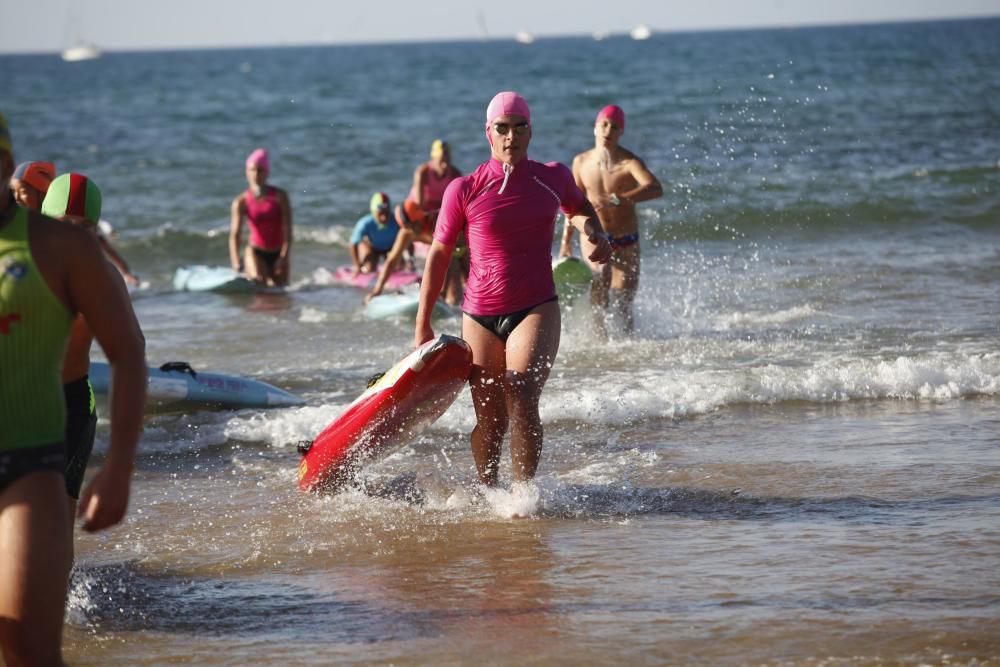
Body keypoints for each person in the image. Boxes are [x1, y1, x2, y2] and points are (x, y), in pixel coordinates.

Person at [0, 113, 147, 666]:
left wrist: (121, 467)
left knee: (51, 549)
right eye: (68, 221)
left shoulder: (91, 268)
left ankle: (52, 609)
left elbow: (130, 352)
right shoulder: (24, 251)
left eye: (85, 227)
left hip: (62, 411)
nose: (76, 234)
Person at [414, 91, 612, 490]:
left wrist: (595, 231)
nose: (511, 137)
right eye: (502, 129)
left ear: (530, 131)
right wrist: (423, 324)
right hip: (479, 315)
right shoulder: (464, 189)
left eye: (519, 128)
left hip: (536, 306)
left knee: (521, 392)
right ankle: (489, 491)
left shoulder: (551, 176)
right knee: (490, 417)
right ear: (488, 133)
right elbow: (438, 255)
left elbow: (578, 209)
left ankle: (522, 498)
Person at [561, 104, 663, 336]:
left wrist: (620, 199)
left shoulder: (630, 163)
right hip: (594, 236)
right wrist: (566, 241)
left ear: (621, 133)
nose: (608, 130)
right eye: (604, 124)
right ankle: (600, 342)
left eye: (614, 127)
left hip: (627, 239)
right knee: (601, 278)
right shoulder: (581, 162)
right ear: (595, 128)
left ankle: (625, 350)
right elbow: (572, 204)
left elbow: (655, 188)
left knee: (624, 301)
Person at [11, 160, 141, 287]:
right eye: (12, 191)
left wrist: (126, 273)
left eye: (23, 192)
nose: (75, 233)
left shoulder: (102, 275)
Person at [229, 148, 292, 287]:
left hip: (278, 252)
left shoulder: (280, 196)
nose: (256, 174)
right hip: (256, 251)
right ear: (247, 172)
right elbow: (235, 234)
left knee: (281, 291)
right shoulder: (241, 201)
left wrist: (284, 257)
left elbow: (287, 229)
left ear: (267, 172)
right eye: (252, 170)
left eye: (260, 170)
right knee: (260, 284)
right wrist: (236, 261)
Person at [349, 192, 400, 276]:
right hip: (372, 247)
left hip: (390, 248)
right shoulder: (365, 223)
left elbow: (408, 240)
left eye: (386, 213)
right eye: (380, 213)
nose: (384, 217)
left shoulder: (397, 220)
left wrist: (410, 261)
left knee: (400, 266)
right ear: (373, 212)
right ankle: (364, 269)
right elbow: (353, 244)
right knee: (369, 268)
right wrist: (357, 265)